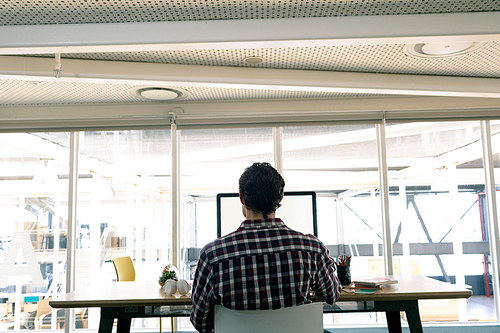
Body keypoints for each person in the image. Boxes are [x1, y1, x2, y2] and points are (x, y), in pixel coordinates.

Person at [190, 162, 341, 333]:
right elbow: (332, 294)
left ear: (241, 197)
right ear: (281, 197)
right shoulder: (312, 248)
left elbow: (200, 322)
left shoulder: (212, 255)